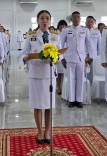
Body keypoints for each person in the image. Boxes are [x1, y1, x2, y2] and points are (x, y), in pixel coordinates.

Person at [22, 10, 60, 144]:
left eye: (47, 18)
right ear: (38, 21)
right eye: (42, 18)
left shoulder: (55, 36)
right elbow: (24, 53)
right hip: (36, 74)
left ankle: (48, 131)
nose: (45, 21)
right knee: (37, 105)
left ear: (50, 21)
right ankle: (39, 131)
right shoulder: (31, 36)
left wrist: (57, 57)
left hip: (50, 74)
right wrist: (26, 58)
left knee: (49, 105)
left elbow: (61, 54)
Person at [60, 11, 93, 108]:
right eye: (74, 17)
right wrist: (62, 58)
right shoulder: (66, 30)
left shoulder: (85, 30)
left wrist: (90, 57)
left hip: (81, 58)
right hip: (69, 58)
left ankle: (79, 100)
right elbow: (61, 45)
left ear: (80, 19)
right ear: (71, 19)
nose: (76, 19)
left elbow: (89, 44)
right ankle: (71, 100)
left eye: (78, 17)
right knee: (70, 79)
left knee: (80, 79)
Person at [85, 16, 101, 85]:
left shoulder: (97, 32)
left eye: (91, 22)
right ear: (85, 23)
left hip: (93, 56)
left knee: (92, 73)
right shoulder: (82, 31)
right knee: (83, 72)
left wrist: (99, 57)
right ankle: (84, 88)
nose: (90, 23)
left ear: (94, 23)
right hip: (84, 55)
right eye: (88, 22)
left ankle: (91, 89)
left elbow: (99, 45)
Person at [55, 20, 68, 95]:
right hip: (59, 56)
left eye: (64, 25)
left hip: (67, 56)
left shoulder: (69, 33)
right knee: (59, 73)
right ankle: (59, 88)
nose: (62, 27)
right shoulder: (56, 35)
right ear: (58, 26)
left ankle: (65, 88)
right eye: (61, 25)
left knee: (65, 74)